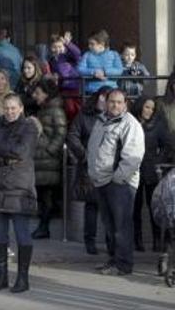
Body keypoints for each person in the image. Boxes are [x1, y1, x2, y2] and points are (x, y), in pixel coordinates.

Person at [0, 94, 39, 293]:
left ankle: (23, 279)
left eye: (13, 108)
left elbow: (21, 152)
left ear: (21, 108)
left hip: (18, 188)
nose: (10, 111)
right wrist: (4, 158)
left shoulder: (29, 127)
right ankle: (2, 276)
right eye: (7, 108)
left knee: (22, 234)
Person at [86, 89, 145, 276]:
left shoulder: (130, 124)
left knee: (121, 226)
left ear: (125, 104)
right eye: (112, 101)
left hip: (120, 183)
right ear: (106, 102)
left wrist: (118, 178)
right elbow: (94, 149)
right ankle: (114, 260)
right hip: (102, 181)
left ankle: (124, 265)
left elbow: (133, 157)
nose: (115, 105)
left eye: (119, 102)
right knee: (110, 226)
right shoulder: (101, 120)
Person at [67, 87, 112, 255]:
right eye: (103, 98)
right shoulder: (84, 115)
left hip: (108, 166)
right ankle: (89, 241)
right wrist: (84, 155)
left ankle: (110, 242)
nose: (105, 102)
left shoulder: (113, 116)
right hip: (89, 166)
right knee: (92, 205)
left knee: (109, 207)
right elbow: (72, 135)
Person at [132, 97, 173, 253]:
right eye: (147, 107)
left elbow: (168, 145)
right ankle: (138, 240)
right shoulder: (132, 122)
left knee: (153, 206)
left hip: (151, 170)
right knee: (135, 208)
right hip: (134, 170)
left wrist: (158, 160)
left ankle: (157, 241)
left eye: (152, 108)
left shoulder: (158, 125)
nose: (149, 110)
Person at [30, 80, 67, 240]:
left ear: (46, 93)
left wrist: (49, 151)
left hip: (48, 161)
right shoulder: (44, 110)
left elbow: (61, 133)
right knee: (43, 197)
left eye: (38, 92)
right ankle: (42, 226)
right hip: (42, 161)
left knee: (47, 197)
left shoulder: (55, 111)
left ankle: (44, 227)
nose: (34, 96)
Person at [77, 29, 124, 95]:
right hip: (91, 91)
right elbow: (79, 69)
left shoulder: (114, 54)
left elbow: (119, 70)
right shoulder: (87, 55)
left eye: (92, 44)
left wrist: (104, 72)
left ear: (102, 44)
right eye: (89, 44)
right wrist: (94, 72)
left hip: (111, 90)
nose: (89, 46)